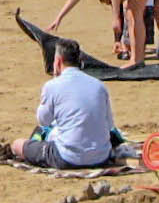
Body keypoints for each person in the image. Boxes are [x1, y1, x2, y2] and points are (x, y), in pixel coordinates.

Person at [6, 37, 116, 169]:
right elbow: (110, 125)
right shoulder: (99, 85)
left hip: (67, 157)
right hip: (101, 157)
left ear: (58, 61)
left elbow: (43, 121)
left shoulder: (52, 86)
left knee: (18, 144)